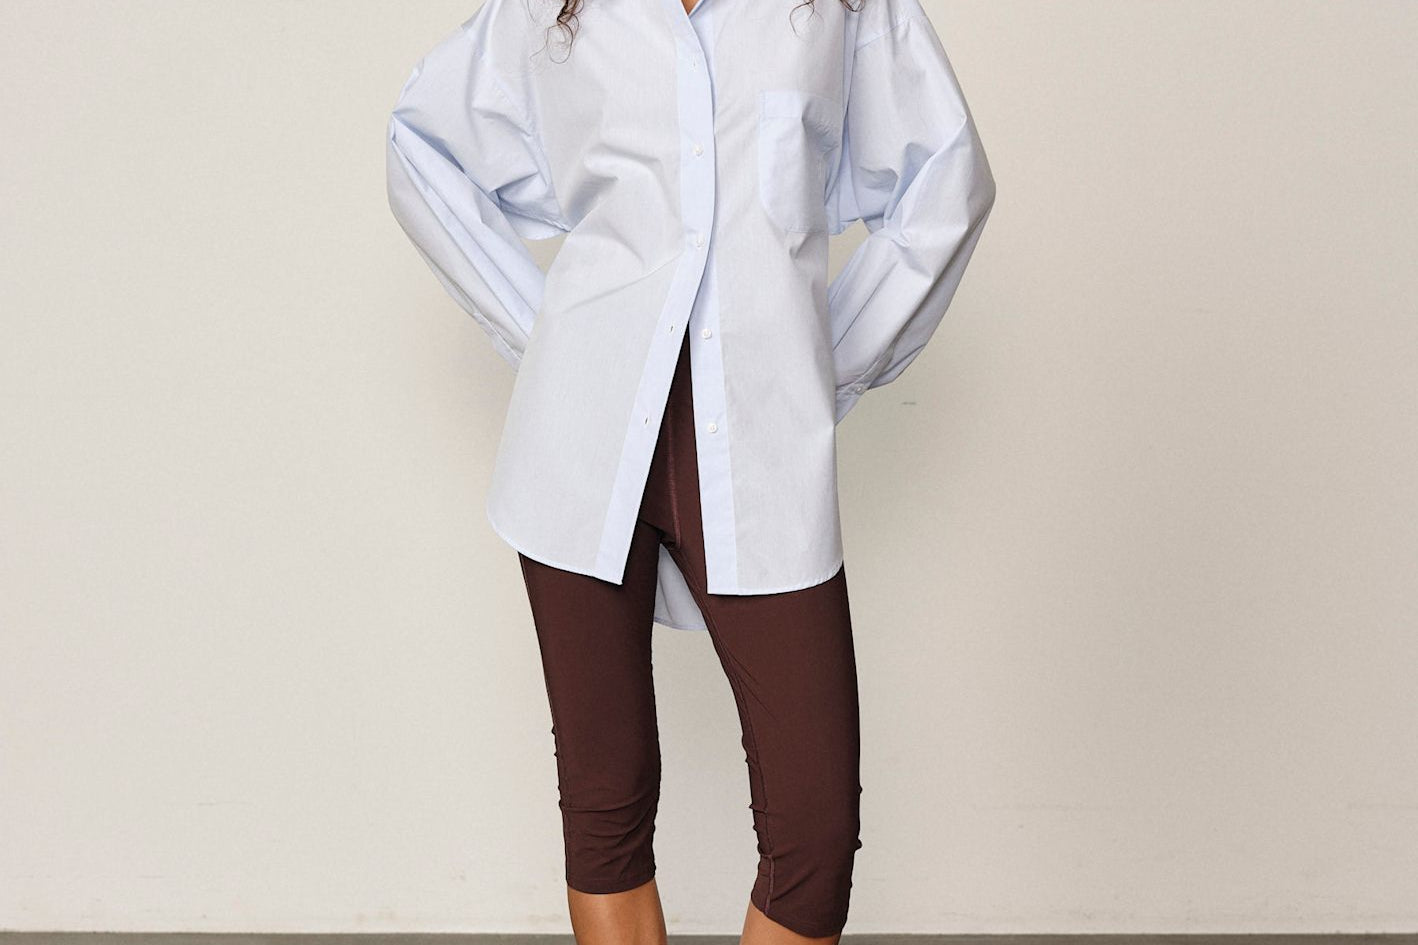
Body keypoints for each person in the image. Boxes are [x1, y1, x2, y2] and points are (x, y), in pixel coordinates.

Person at [385, 0, 996, 940]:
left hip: (758, 446)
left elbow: (947, 182)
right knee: (606, 807)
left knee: (813, 839)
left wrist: (818, 369)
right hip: (580, 447)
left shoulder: (838, 8)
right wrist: (550, 344)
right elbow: (421, 146)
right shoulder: (557, 9)